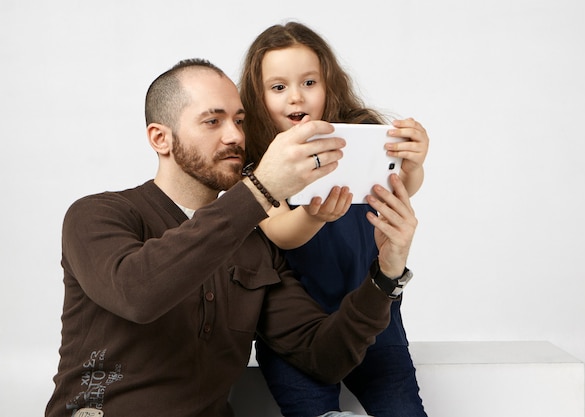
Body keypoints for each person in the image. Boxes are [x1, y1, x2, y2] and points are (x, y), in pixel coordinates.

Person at [45, 58, 419, 417]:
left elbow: (323, 357)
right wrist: (261, 189)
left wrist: (385, 276)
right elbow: (138, 293)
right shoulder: (97, 215)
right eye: (213, 121)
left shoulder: (254, 247)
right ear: (161, 138)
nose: (235, 136)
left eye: (240, 120)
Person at [239, 22, 429, 417]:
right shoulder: (257, 162)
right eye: (278, 87)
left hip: (376, 322)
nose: (296, 96)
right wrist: (312, 215)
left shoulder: (363, 134)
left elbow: (402, 186)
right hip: (298, 335)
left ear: (329, 84)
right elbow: (282, 232)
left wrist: (414, 160)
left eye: (309, 82)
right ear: (257, 99)